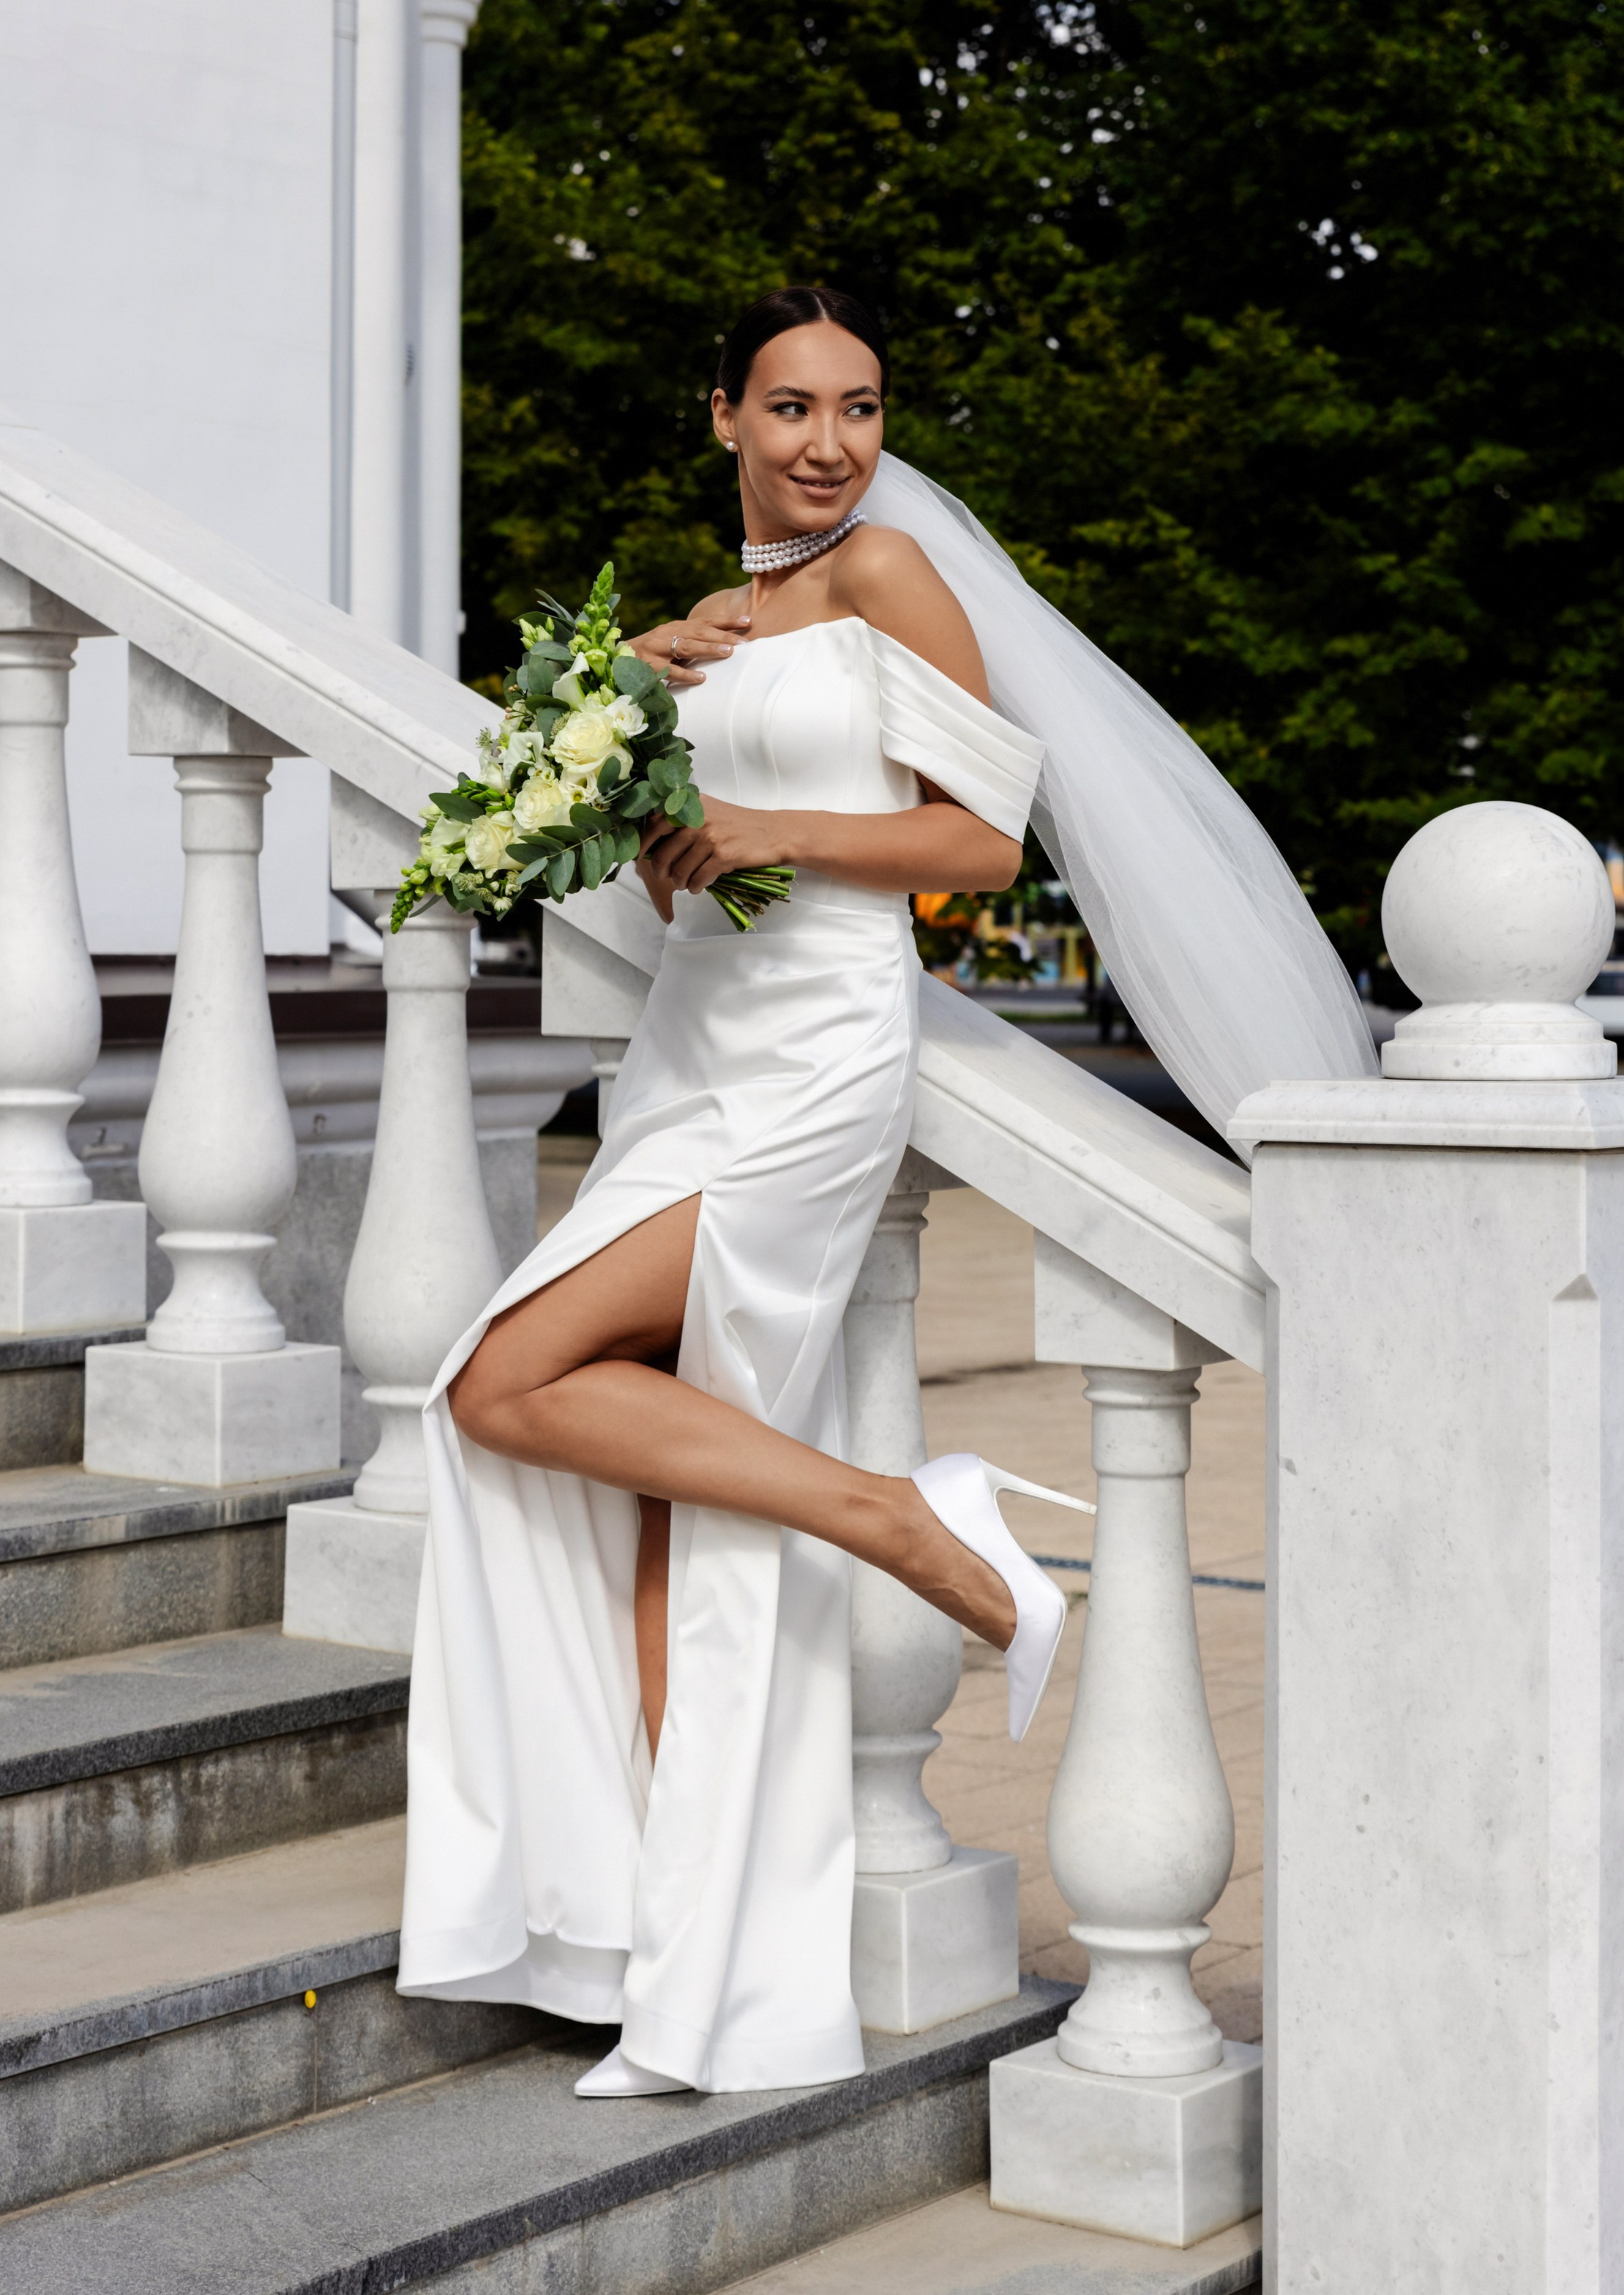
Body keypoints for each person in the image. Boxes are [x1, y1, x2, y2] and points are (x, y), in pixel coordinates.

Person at [397, 283, 1379, 2101]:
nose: (828, 443)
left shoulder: (890, 576)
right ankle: (676, 1970)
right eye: (790, 407)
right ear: (721, 417)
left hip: (810, 1059)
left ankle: (910, 1523)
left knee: (499, 1382)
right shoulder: (718, 615)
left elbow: (977, 839)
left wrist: (767, 829)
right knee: (661, 1519)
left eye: (857, 407)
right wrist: (635, 730)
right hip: (690, 1046)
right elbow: (653, 840)